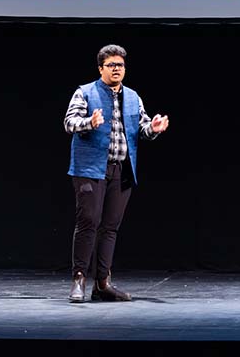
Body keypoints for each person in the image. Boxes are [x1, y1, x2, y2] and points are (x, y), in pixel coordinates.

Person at [63, 45, 170, 303]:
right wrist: (89, 122)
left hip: (121, 170)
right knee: (89, 222)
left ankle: (102, 283)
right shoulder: (85, 92)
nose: (116, 69)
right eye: (111, 65)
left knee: (110, 227)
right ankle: (79, 279)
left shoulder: (133, 97)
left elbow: (142, 127)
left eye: (120, 65)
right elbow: (69, 122)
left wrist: (153, 128)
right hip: (90, 170)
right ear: (101, 68)